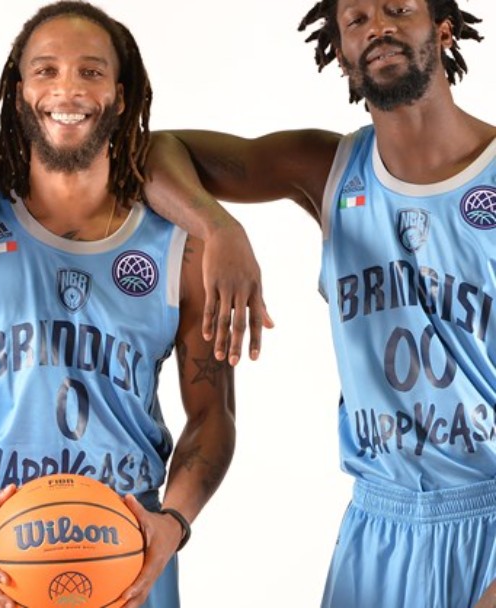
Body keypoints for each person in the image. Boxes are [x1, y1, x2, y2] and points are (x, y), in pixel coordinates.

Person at [140, 0, 496, 606]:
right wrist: (218, 227)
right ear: (341, 53)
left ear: (443, 29)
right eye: (356, 19)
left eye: (398, 8)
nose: (377, 27)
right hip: (378, 528)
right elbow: (150, 151)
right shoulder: (327, 169)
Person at [0, 2, 234, 607]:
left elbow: (214, 415)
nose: (68, 89)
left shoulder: (180, 249)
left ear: (120, 97)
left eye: (91, 72)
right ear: (19, 92)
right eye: (46, 70)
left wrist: (173, 523)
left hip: (129, 546)